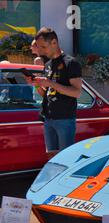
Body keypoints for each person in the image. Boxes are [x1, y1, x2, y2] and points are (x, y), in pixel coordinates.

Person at [28, 27, 82, 158]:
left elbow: (76, 92)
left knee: (65, 160)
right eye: (38, 47)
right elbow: (47, 94)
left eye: (43, 47)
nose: (40, 51)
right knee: (51, 160)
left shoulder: (71, 63)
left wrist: (51, 83)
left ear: (54, 42)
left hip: (65, 119)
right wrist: (37, 85)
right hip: (48, 117)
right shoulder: (48, 64)